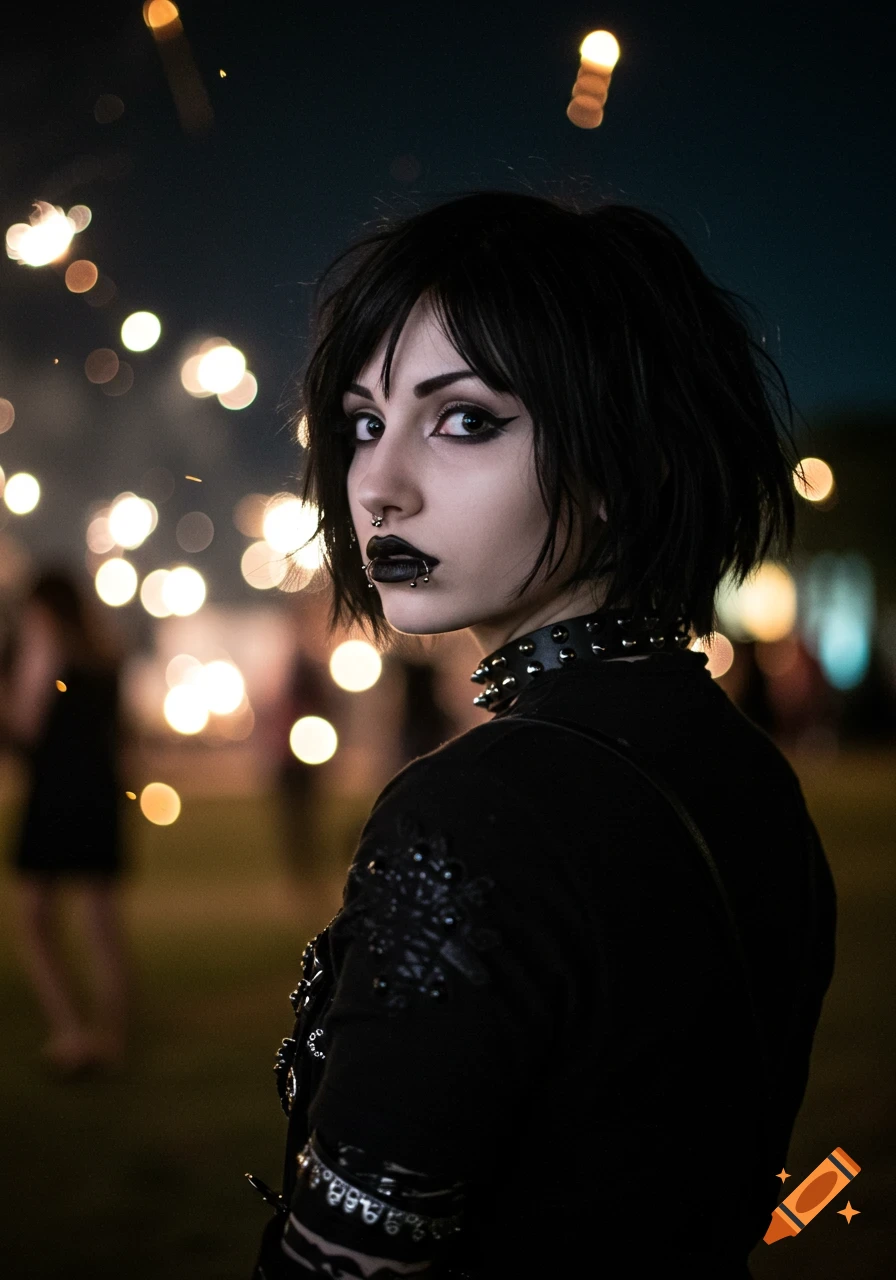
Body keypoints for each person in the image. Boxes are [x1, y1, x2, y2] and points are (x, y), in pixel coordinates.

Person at [248, 191, 837, 1278]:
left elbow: (344, 1261)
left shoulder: (478, 808)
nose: (377, 484)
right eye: (362, 422)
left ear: (626, 457)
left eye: (464, 417)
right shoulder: (743, 763)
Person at [1, 568, 129, 1075]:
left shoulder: (44, 652)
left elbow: (24, 724)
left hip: (52, 799)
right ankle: (111, 1036)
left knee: (36, 920)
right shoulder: (104, 655)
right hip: (98, 798)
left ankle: (70, 1033)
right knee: (102, 924)